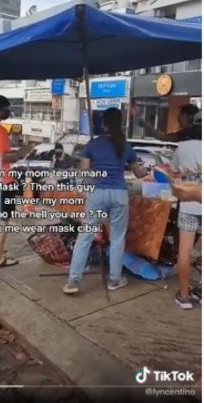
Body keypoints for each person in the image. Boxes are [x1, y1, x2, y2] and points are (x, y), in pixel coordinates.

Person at [63, 108, 148, 295]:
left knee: (85, 237)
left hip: (98, 193)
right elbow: (138, 172)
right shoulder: (124, 145)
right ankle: (115, 280)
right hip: (119, 194)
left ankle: (73, 281)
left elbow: (84, 174)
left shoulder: (92, 145)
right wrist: (144, 171)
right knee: (117, 239)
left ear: (104, 124)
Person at [0, 95, 34, 268]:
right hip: (3, 180)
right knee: (3, 220)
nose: (8, 111)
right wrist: (21, 153)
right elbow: (4, 157)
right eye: (6, 108)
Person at [171, 112, 202, 309]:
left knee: (185, 251)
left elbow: (174, 173)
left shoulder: (182, 148)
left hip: (188, 204)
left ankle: (184, 296)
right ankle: (201, 288)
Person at [134, 104, 199, 142]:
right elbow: (163, 137)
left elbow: (163, 137)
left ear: (190, 116)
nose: (178, 118)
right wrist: (145, 125)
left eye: (181, 115)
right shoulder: (184, 132)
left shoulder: (198, 131)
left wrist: (145, 125)